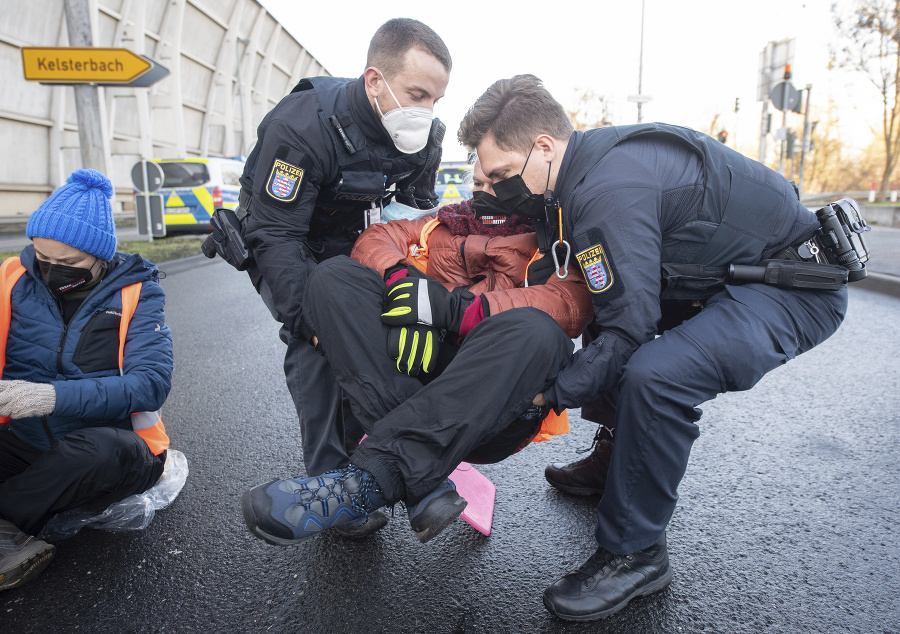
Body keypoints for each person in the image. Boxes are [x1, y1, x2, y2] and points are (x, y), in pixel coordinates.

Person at [457, 74, 854, 621]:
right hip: (717, 276)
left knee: (655, 374)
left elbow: (631, 328)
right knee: (608, 303)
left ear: (544, 146)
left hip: (794, 287)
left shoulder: (608, 188)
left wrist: (544, 394)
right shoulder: (569, 184)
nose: (499, 187)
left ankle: (635, 552)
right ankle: (617, 459)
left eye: (503, 173)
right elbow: (585, 287)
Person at [240, 159, 594, 546]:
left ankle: (373, 477)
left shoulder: (557, 240)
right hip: (416, 373)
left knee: (539, 332)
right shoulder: (440, 222)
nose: (485, 191)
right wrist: (402, 279)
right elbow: (378, 237)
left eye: (498, 181)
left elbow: (569, 303)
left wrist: (448, 312)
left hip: (493, 402)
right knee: (333, 277)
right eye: (477, 181)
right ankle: (417, 479)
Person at [201, 18, 451, 538]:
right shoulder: (303, 125)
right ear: (375, 81)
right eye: (416, 93)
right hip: (285, 239)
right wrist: (308, 317)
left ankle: (370, 455)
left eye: (435, 99)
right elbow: (276, 235)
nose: (424, 111)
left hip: (355, 243)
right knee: (316, 347)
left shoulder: (424, 137)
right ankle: (330, 482)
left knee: (381, 336)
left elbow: (417, 218)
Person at [0, 169, 174, 590]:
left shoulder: (138, 293)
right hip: (24, 443)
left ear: (100, 256)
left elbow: (150, 383)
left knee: (99, 450)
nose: (51, 271)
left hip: (109, 450)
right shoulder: (12, 279)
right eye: (43, 258)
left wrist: (50, 398)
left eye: (69, 263)